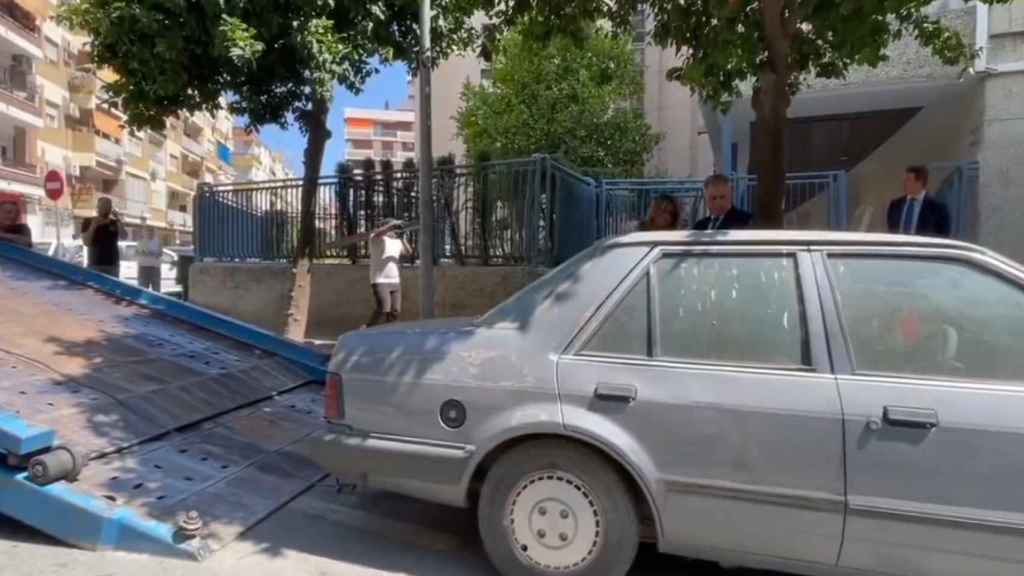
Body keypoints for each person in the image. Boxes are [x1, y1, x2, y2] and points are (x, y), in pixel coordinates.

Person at [338, 218, 412, 327]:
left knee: (395, 311)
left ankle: (388, 333)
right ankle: (367, 329)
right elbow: (379, 232)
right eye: (391, 227)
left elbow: (409, 252)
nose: (394, 230)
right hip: (380, 280)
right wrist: (392, 226)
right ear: (385, 227)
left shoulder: (397, 242)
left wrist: (403, 239)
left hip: (395, 281)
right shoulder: (375, 238)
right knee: (383, 308)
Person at [887, 165, 951, 237]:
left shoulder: (938, 208)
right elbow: (891, 231)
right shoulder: (895, 205)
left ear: (919, 182)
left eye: (908, 179)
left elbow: (943, 237)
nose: (904, 183)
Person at [81, 197, 127, 277]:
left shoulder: (115, 222)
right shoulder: (88, 221)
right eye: (103, 205)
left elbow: (124, 236)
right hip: (95, 265)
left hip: (112, 265)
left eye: (108, 206)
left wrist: (118, 219)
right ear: (98, 207)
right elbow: (86, 242)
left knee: (111, 289)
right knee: (94, 289)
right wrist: (93, 226)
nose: (106, 208)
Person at [137, 227, 163, 292]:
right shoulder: (141, 241)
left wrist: (149, 253)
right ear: (145, 232)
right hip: (143, 268)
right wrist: (150, 253)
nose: (150, 233)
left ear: (154, 233)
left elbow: (160, 254)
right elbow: (137, 253)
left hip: (155, 268)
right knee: (142, 291)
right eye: (148, 231)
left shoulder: (158, 242)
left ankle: (156, 302)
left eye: (152, 231)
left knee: (156, 291)